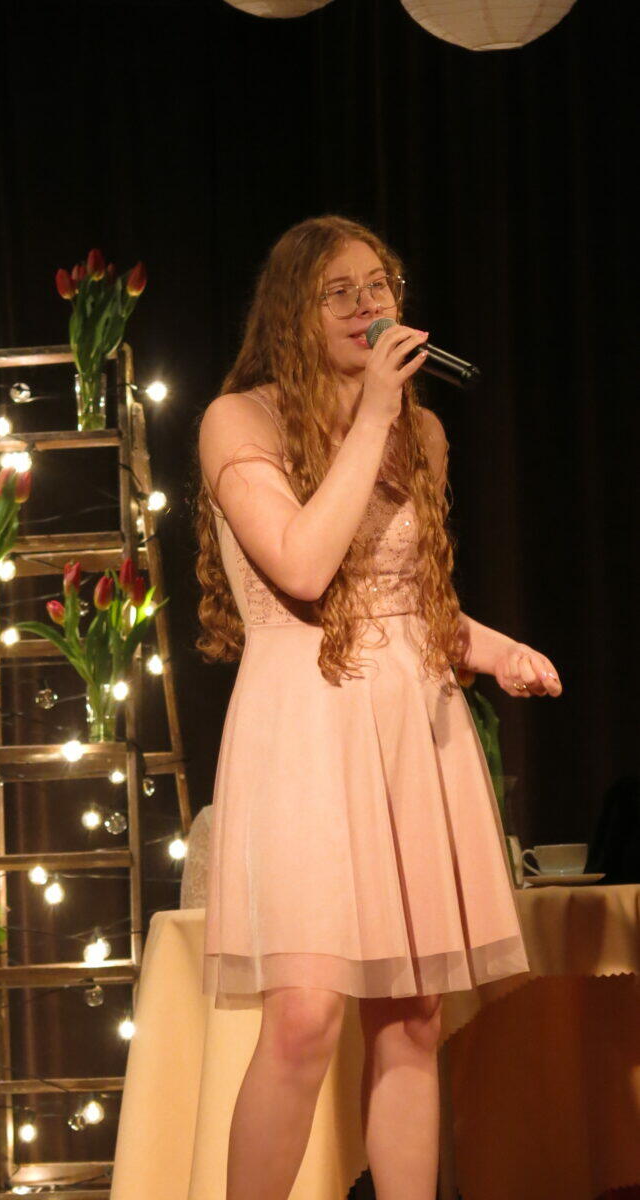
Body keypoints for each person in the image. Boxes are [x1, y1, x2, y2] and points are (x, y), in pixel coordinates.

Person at [192, 214, 563, 1200]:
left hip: (407, 731)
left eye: (380, 286)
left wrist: (496, 651)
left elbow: (410, 601)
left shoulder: (421, 433)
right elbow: (306, 568)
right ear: (293, 311)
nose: (369, 305)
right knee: (304, 1017)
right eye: (341, 291)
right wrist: (370, 420)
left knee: (410, 1017)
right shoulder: (240, 422)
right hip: (306, 731)